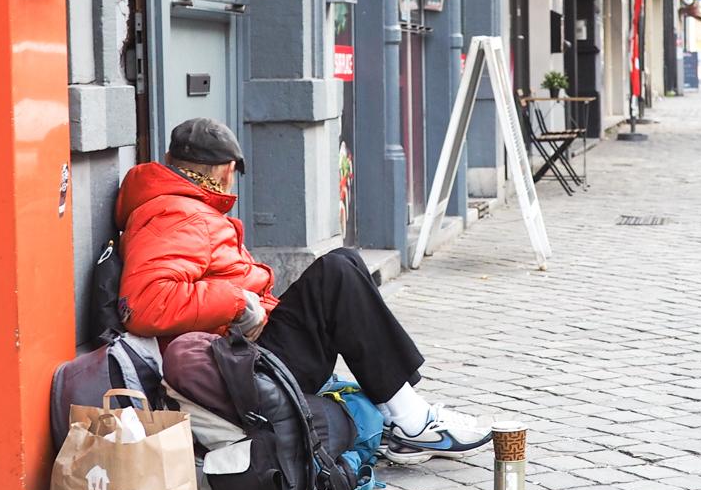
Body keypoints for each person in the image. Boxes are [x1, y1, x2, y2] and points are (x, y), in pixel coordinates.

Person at [115, 117, 492, 464]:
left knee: (345, 266)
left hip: (239, 353)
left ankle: (405, 413)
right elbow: (145, 303)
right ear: (226, 171)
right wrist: (237, 302)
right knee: (337, 271)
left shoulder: (181, 208)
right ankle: (412, 421)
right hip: (235, 368)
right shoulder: (177, 213)